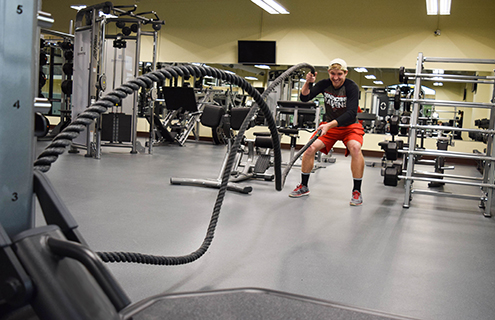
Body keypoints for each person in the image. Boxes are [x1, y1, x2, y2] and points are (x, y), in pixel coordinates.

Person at [289, 58, 365, 206]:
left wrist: (329, 125)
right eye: (332, 73)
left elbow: (351, 113)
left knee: (355, 148)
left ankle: (357, 191)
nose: (336, 77)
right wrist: (308, 82)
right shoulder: (324, 84)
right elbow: (305, 97)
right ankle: (304, 186)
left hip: (349, 126)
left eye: (339, 74)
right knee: (310, 148)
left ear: (345, 73)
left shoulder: (351, 87)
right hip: (330, 126)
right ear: (329, 72)